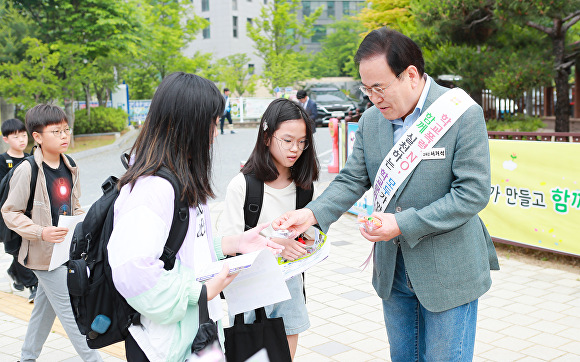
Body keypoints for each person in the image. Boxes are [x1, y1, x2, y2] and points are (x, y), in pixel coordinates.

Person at [273, 27, 499, 361]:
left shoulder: (461, 114)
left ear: (410, 75)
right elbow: (352, 179)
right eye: (367, 89)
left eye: (379, 88)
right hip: (393, 272)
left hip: (449, 271)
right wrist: (311, 214)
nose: (373, 98)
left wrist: (402, 223)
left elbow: (472, 193)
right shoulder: (371, 122)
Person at [106, 72, 284, 362]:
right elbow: (132, 272)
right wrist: (198, 292)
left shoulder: (178, 178)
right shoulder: (154, 189)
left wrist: (234, 244)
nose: (216, 133)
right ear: (186, 126)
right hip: (163, 346)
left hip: (192, 335)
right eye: (212, 124)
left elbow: (182, 249)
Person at [217, 98, 320, 360]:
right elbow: (227, 245)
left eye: (302, 141)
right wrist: (275, 244)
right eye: (287, 140)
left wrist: (307, 244)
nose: (295, 148)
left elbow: (309, 238)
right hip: (250, 292)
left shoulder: (305, 187)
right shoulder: (243, 185)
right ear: (266, 137)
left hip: (290, 288)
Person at [1, 105, 103, 361]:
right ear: (37, 137)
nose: (64, 136)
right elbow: (10, 212)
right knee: (72, 313)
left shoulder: (70, 166)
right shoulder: (27, 170)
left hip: (64, 251)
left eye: (66, 130)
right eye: (56, 131)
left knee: (44, 310)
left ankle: (27, 357)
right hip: (42, 256)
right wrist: (40, 232)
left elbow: (74, 204)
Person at [1, 118, 39, 303]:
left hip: (30, 212)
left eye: (24, 135)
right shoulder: (2, 161)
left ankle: (15, 272)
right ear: (6, 139)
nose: (22, 140)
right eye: (16, 137)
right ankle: (33, 286)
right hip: (10, 214)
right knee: (19, 247)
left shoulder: (30, 159)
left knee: (26, 247)